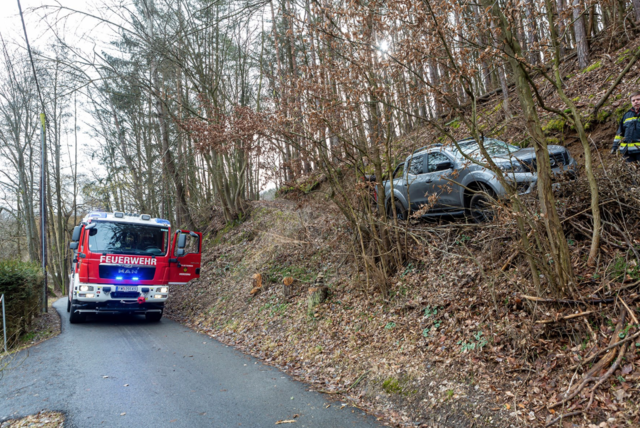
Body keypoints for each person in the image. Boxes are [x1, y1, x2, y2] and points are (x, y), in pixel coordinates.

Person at [612, 91, 640, 162]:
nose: (636, 102)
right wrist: (615, 146)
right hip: (627, 151)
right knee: (629, 172)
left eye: (638, 99)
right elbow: (620, 132)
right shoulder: (627, 115)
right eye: (633, 100)